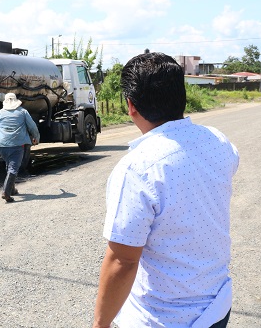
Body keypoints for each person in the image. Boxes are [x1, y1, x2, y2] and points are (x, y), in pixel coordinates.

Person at [92, 52, 239, 328]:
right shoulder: (218, 141)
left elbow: (123, 260)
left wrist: (100, 324)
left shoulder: (137, 168)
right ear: (182, 97)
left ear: (130, 105)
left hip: (164, 318)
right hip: (216, 305)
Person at [0, 93, 40, 203]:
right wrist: (36, 137)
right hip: (17, 145)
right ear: (16, 101)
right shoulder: (23, 112)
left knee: (9, 165)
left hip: (2, 146)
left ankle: (12, 189)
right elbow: (32, 127)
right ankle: (6, 192)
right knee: (13, 168)